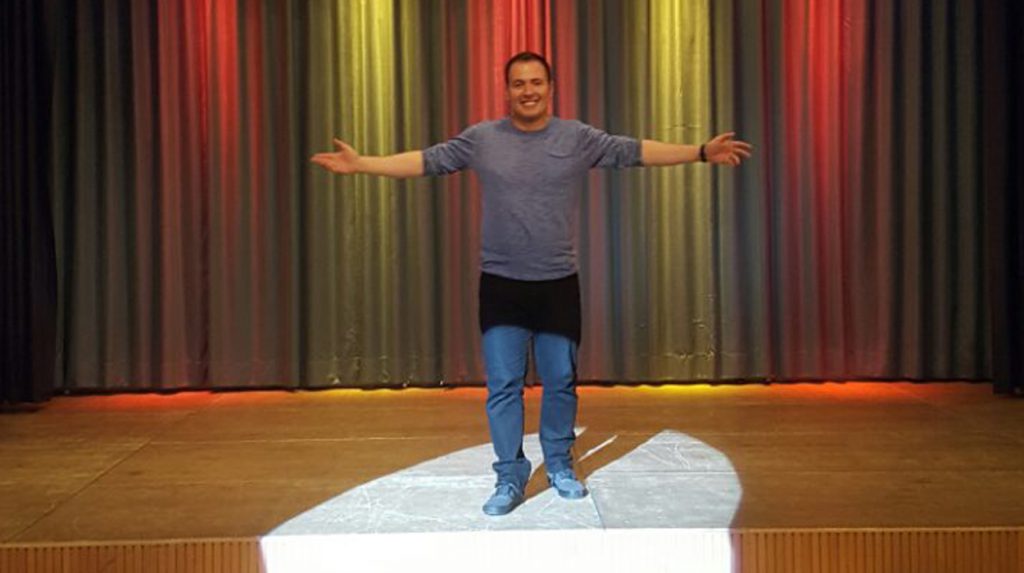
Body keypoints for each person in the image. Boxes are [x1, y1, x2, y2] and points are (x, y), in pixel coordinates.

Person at [312, 51, 753, 516]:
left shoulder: (576, 138)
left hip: (557, 285)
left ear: (550, 88)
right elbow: (427, 161)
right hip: (501, 286)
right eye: (519, 83)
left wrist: (699, 152)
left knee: (561, 382)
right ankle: (510, 475)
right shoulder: (483, 139)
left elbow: (634, 152)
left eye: (536, 82)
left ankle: (559, 464)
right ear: (507, 91)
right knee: (503, 386)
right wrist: (363, 164)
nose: (528, 91)